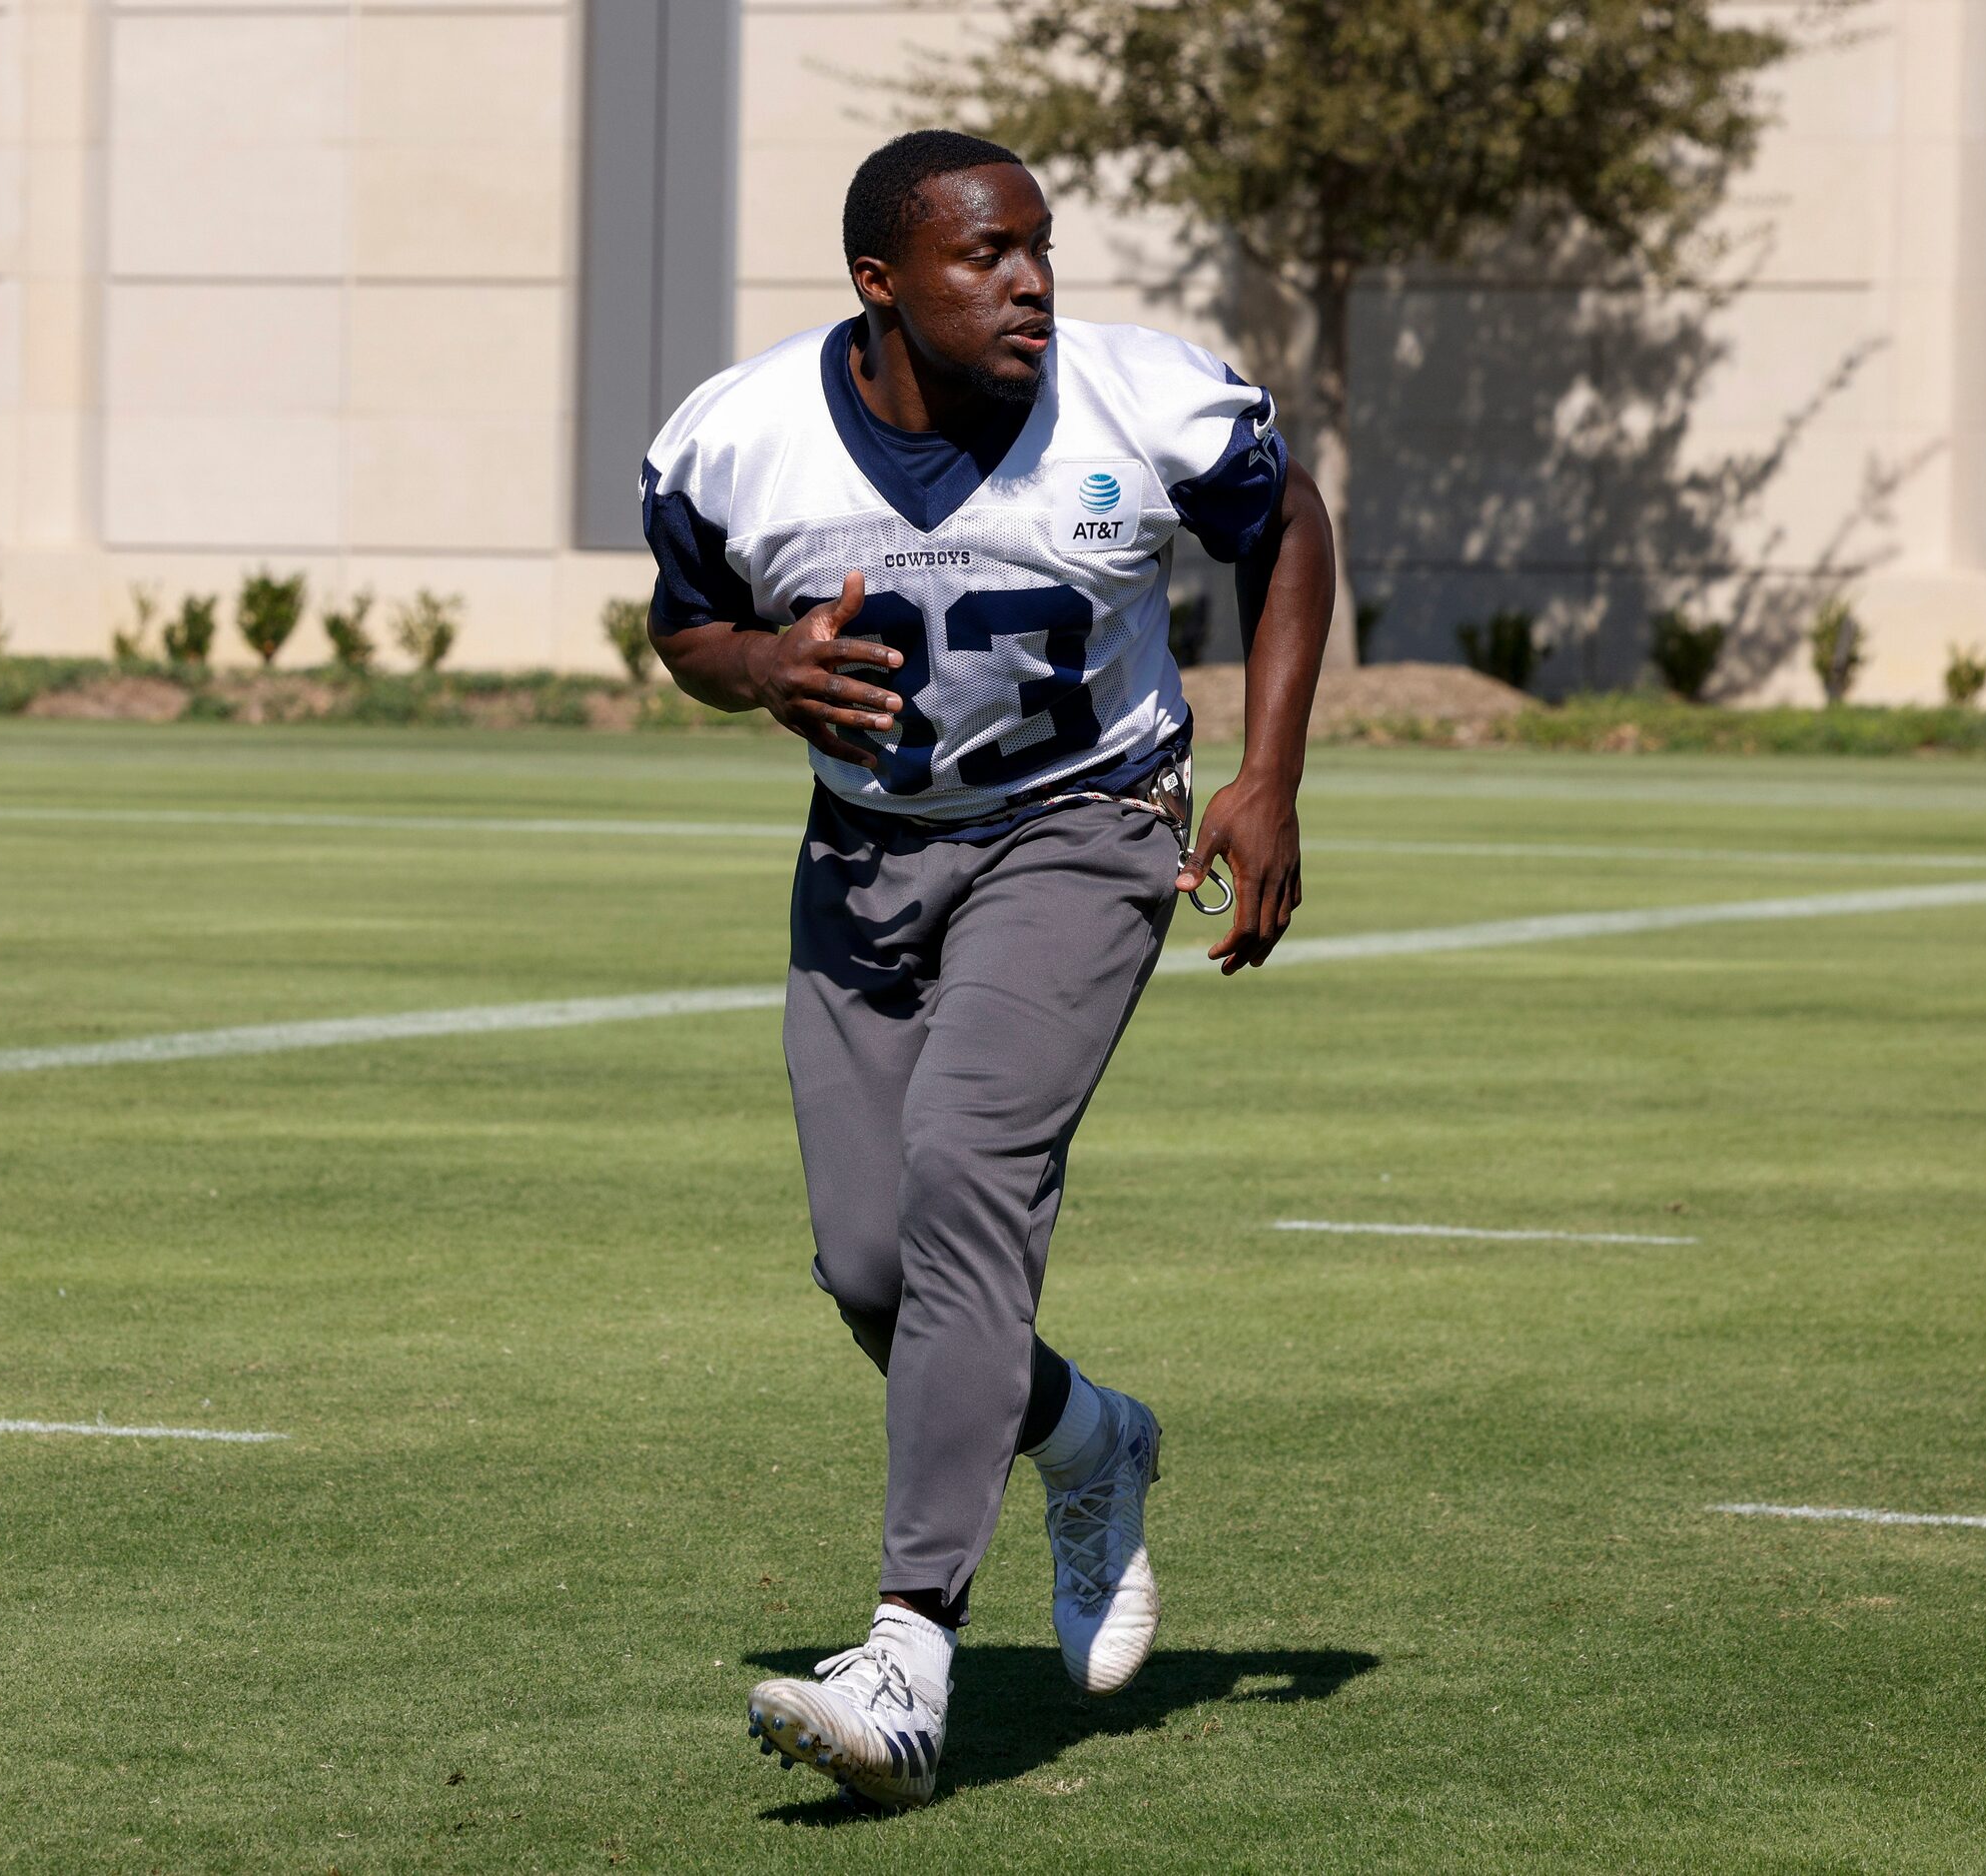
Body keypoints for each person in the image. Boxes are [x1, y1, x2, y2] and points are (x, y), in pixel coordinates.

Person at [642, 128, 1335, 1810]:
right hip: (868, 856)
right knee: (873, 1268)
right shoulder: (733, 439)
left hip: (1087, 823)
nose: (1029, 280)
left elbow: (1287, 524)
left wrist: (1269, 771)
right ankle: (1093, 1437)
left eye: (1040, 247)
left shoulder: (1142, 401)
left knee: (968, 1171)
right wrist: (760, 663)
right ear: (881, 281)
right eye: (983, 257)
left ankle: (908, 1651)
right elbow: (686, 626)